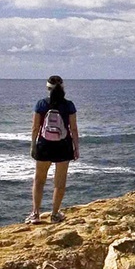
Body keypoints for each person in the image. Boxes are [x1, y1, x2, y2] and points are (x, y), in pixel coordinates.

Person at [28, 75, 79, 224]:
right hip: (64, 146)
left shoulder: (41, 104)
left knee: (39, 180)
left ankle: (35, 214)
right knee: (60, 182)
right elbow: (73, 129)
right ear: (63, 88)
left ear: (47, 88)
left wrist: (33, 145)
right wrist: (76, 147)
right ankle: (55, 214)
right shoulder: (69, 105)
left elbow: (35, 128)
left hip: (44, 145)